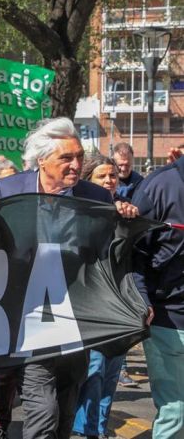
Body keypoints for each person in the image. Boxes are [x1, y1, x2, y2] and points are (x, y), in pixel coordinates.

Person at [0, 118, 137, 439]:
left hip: (77, 321)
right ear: (42, 160)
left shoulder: (96, 196)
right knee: (43, 411)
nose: (76, 164)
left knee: (67, 408)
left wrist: (123, 221)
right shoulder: (9, 189)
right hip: (29, 320)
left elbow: (108, 255)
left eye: (79, 156)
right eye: (66, 158)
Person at [71, 155, 138, 439]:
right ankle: (90, 430)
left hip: (121, 307)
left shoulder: (125, 211)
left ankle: (98, 427)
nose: (110, 180)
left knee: (111, 373)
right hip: (90, 307)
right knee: (94, 370)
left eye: (113, 175)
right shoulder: (77, 212)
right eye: (102, 176)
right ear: (88, 180)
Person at [131, 153, 184, 439]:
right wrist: (142, 299)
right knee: (175, 412)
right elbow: (132, 250)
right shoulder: (159, 186)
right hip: (168, 319)